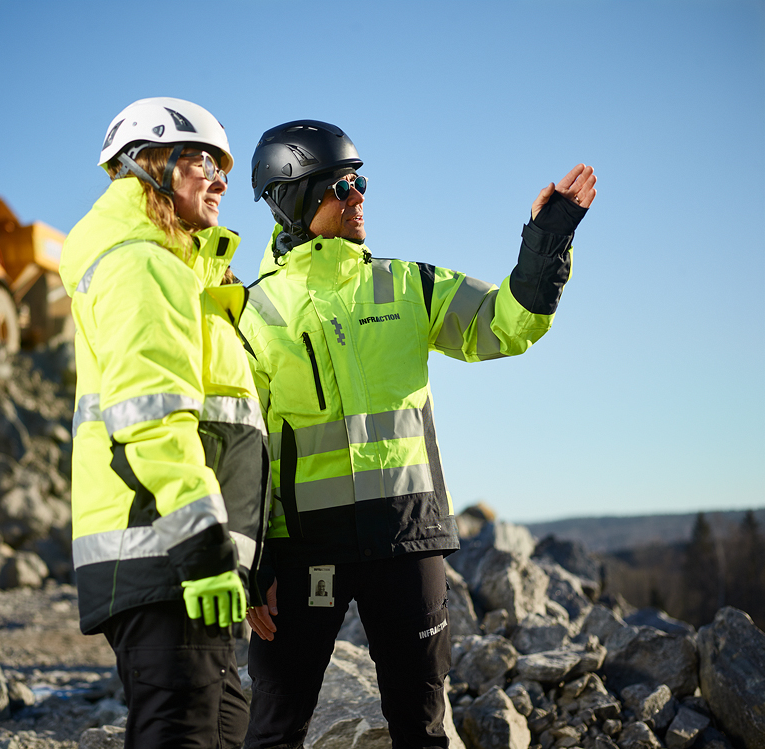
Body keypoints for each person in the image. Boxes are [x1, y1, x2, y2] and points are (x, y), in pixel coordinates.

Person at [238, 119, 596, 748]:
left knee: (424, 729)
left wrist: (547, 239)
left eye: (361, 181)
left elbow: (505, 325)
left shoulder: (407, 286)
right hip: (302, 554)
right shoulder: (255, 313)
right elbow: (249, 450)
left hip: (407, 540)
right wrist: (253, 561)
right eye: (340, 187)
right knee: (275, 729)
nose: (358, 197)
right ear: (293, 199)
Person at [57, 97, 270, 749]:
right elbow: (151, 416)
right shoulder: (142, 262)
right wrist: (204, 545)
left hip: (183, 549)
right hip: (168, 551)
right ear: (148, 166)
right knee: (185, 732)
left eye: (223, 165)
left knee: (223, 727)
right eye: (203, 159)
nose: (222, 178)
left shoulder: (176, 267)